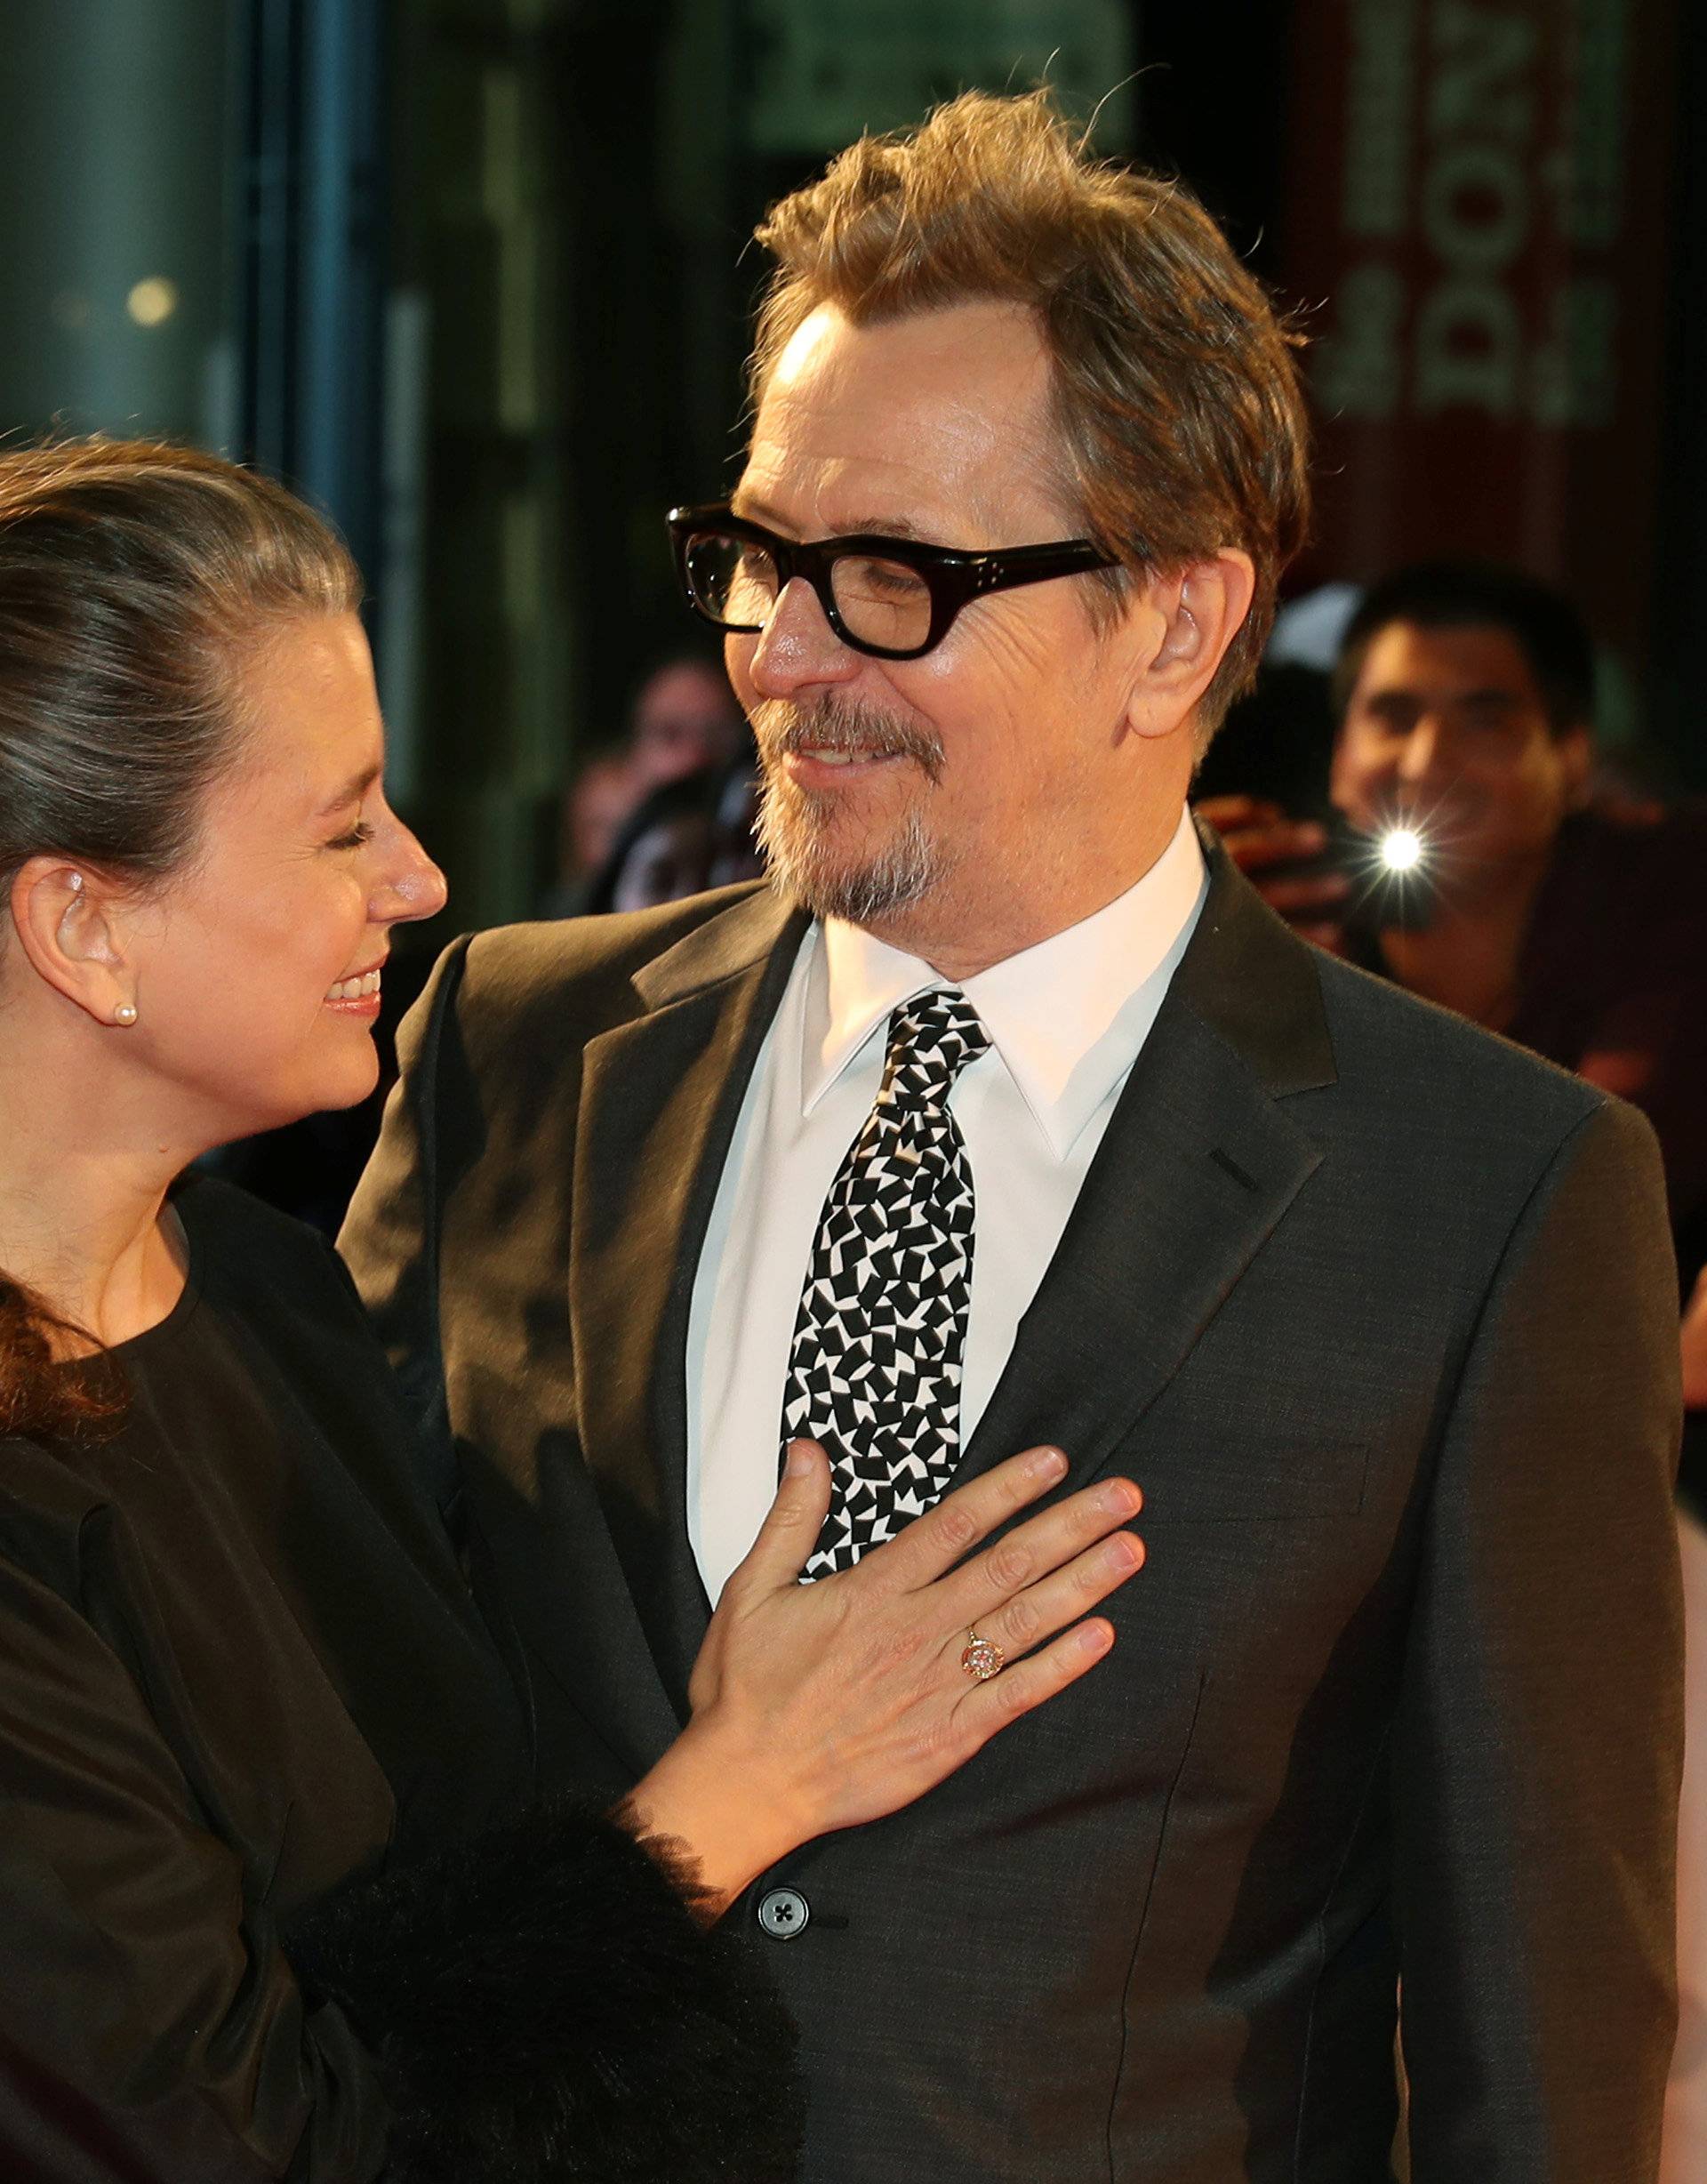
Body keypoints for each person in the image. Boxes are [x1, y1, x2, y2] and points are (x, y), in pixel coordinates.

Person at [344, 92, 1685, 2180]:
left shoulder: (1490, 1198)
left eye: (889, 577)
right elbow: (313, 1764)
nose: (782, 655)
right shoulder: (517, 1052)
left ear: (1170, 622)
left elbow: (1544, 2039)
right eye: (760, 556)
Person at [0, 438, 1148, 2183]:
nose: (418, 877)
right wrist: (743, 1783)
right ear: (84, 926)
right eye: (337, 827)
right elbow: (255, 2142)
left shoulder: (262, 1292)